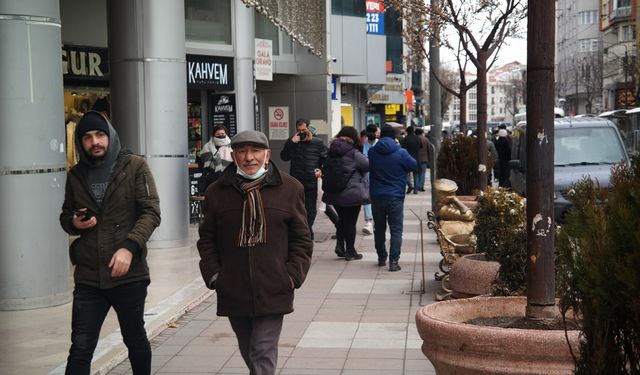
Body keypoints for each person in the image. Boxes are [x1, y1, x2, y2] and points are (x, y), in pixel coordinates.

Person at [197, 130, 313, 375]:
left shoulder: (290, 188)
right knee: (249, 349)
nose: (249, 157)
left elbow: (302, 238)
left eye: (256, 151)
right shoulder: (217, 192)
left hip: (274, 285)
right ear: (234, 155)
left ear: (267, 154)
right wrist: (215, 275)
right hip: (233, 287)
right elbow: (206, 239)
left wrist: (292, 275)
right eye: (242, 151)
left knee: (262, 349)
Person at [59, 111, 161, 374]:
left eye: (100, 135)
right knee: (80, 347)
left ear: (110, 135)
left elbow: (151, 212)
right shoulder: (76, 175)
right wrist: (74, 223)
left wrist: (129, 247)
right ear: (80, 143)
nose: (95, 142)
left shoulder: (135, 166)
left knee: (134, 338)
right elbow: (65, 214)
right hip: (89, 277)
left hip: (129, 274)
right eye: (88, 137)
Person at [368, 125, 417, 271]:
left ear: (380, 136)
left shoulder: (372, 152)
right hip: (395, 196)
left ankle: (381, 257)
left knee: (379, 228)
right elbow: (414, 165)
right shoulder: (401, 152)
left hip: (377, 196)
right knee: (396, 230)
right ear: (394, 137)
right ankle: (394, 262)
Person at [322, 126, 370, 261]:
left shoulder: (331, 150)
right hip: (351, 193)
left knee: (342, 220)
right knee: (350, 223)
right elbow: (367, 165)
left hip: (334, 192)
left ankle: (340, 246)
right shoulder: (353, 153)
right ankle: (350, 251)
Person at [280, 118, 328, 238]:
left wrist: (321, 170)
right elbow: (284, 157)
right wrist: (291, 142)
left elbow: (327, 158)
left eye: (304, 130)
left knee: (311, 209)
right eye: (299, 130)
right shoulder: (293, 142)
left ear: (308, 128)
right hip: (296, 181)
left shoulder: (317, 142)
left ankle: (307, 230)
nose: (302, 132)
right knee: (297, 208)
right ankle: (305, 233)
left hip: (311, 180)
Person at [200, 125, 233, 191]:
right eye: (218, 134)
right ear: (213, 135)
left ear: (226, 134)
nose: (221, 135)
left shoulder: (231, 146)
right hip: (211, 178)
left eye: (222, 134)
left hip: (227, 177)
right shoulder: (207, 146)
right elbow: (202, 161)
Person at [361, 124, 379, 234]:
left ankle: (375, 220)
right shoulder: (364, 144)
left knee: (375, 198)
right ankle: (369, 221)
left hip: (377, 175)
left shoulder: (379, 144)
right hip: (367, 175)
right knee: (367, 197)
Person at [401, 126, 421, 194]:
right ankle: (416, 190)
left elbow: (403, 148)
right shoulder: (417, 138)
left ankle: (410, 185)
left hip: (408, 158)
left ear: (407, 131)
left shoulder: (406, 138)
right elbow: (421, 146)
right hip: (416, 158)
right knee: (416, 174)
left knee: (405, 173)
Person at [414, 127, 431, 192]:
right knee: (422, 173)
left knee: (416, 173)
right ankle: (421, 186)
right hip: (424, 159)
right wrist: (429, 158)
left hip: (415, 158)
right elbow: (429, 149)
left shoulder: (414, 139)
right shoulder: (426, 139)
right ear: (422, 132)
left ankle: (416, 186)